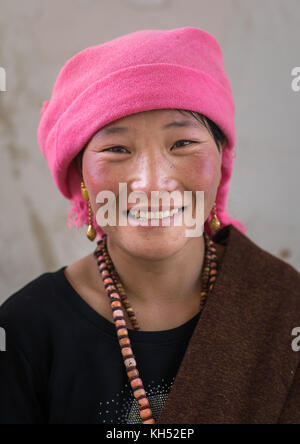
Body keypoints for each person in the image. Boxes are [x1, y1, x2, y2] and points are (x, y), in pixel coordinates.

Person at [0, 27, 299, 425]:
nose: (152, 182)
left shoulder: (285, 308)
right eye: (117, 150)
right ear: (81, 177)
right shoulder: (25, 330)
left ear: (222, 162)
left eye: (182, 144)